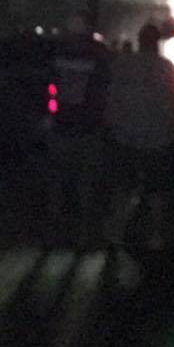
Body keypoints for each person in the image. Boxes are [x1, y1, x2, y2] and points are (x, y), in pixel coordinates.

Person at [103, 22, 174, 251]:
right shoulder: (165, 67)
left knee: (124, 187)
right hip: (158, 137)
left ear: (140, 41)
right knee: (156, 190)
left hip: (125, 136)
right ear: (157, 42)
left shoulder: (122, 64)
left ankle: (116, 232)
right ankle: (156, 235)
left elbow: (110, 97)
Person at [44, 17, 111, 249]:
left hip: (62, 124)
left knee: (59, 180)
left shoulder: (59, 57)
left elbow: (51, 88)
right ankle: (84, 234)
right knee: (86, 182)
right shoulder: (98, 56)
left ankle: (54, 233)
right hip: (88, 126)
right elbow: (104, 90)